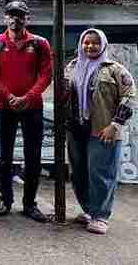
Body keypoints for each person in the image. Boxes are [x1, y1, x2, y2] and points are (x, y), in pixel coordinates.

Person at [0, 0, 52, 222]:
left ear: (27, 19)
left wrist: (28, 97)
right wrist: (9, 96)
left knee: (33, 157)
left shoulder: (40, 43)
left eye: (20, 15)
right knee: (4, 156)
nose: (15, 19)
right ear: (5, 18)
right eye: (11, 15)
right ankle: (5, 199)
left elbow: (45, 75)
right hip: (5, 106)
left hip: (32, 107)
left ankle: (30, 204)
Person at [64, 28, 136, 235]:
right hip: (76, 128)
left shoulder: (115, 69)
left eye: (95, 42)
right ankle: (89, 210)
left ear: (103, 45)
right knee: (78, 172)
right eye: (86, 42)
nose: (90, 46)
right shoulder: (72, 66)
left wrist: (116, 125)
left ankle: (100, 215)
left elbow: (129, 96)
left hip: (103, 129)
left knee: (101, 173)